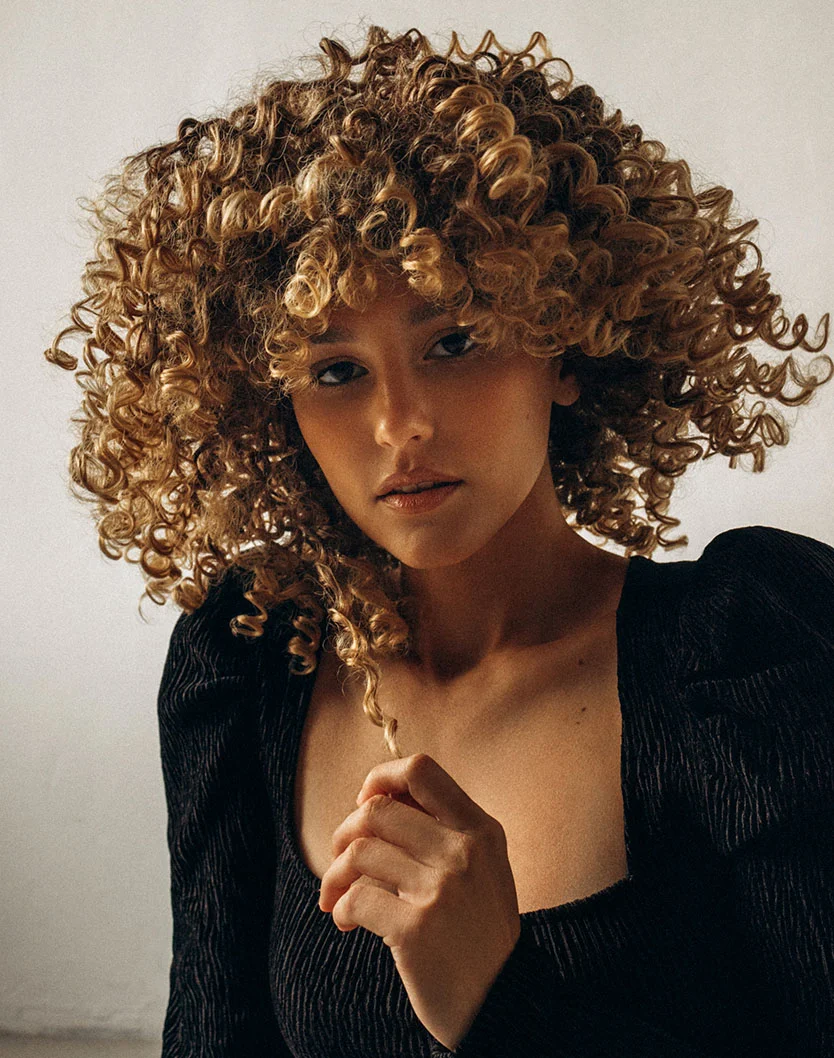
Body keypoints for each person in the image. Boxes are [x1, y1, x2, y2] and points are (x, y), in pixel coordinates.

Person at [45, 24, 834, 1058]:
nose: (399, 424)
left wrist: (500, 1002)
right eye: (336, 371)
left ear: (566, 341)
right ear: (273, 405)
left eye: (454, 341)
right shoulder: (245, 668)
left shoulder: (749, 659)